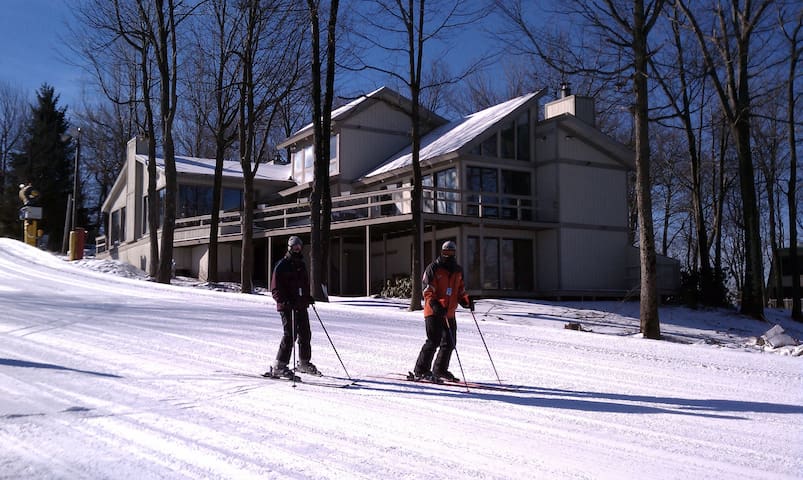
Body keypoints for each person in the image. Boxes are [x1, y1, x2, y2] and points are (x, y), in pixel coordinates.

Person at [412, 240, 474, 382]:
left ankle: (440, 369)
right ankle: (421, 370)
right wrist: (434, 304)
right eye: (445, 252)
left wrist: (466, 300)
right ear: (441, 252)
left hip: (449, 312)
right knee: (433, 341)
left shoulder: (458, 270)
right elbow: (427, 289)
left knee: (450, 343)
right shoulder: (434, 268)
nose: (448, 255)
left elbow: (460, 290)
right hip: (434, 312)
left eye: (451, 252)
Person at [267, 236, 318, 378]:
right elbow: (275, 289)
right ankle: (279, 365)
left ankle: (304, 362)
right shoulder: (282, 265)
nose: (297, 249)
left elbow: (304, 285)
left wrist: (307, 297)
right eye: (295, 247)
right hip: (287, 307)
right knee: (290, 335)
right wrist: (285, 302)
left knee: (305, 333)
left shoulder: (301, 265)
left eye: (299, 247)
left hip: (300, 305)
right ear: (289, 248)